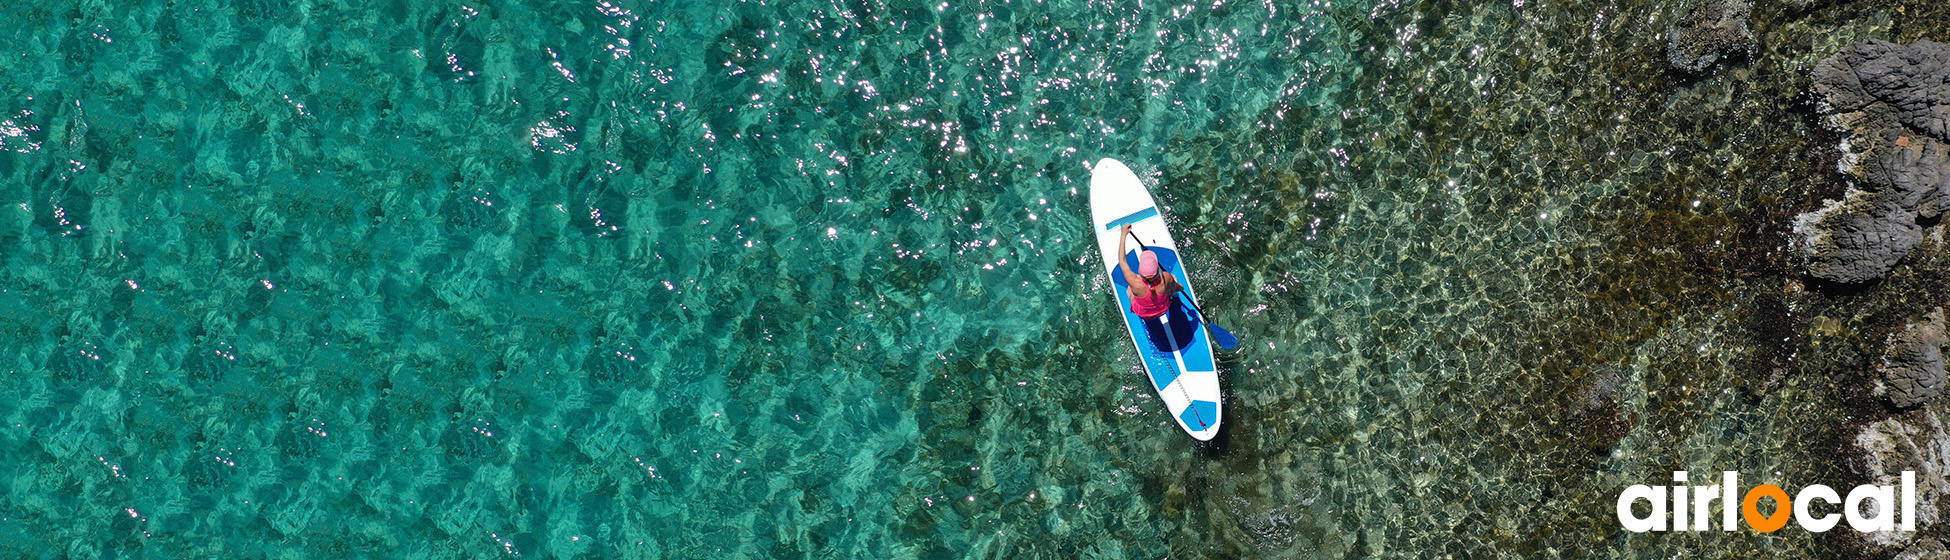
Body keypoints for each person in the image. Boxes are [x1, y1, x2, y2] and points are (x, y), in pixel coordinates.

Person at [1117, 224, 1179, 319]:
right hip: (1163, 310)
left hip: (1143, 315)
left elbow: (1122, 260)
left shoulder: (1133, 281)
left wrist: (1123, 234)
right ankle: (1173, 294)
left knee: (1129, 290)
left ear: (1139, 271)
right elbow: (1177, 286)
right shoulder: (1165, 278)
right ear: (1158, 269)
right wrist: (1179, 288)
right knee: (1172, 281)